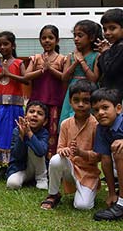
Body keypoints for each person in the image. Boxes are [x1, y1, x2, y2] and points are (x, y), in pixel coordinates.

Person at [41, 80, 100, 210]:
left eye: (86, 101)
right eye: (76, 100)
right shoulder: (65, 124)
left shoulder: (96, 125)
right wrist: (64, 150)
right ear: (70, 101)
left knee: (83, 206)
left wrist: (81, 152)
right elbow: (60, 148)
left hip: (88, 172)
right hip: (70, 167)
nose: (80, 104)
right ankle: (53, 194)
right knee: (56, 160)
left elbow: (98, 156)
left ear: (92, 103)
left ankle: (91, 188)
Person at [0, 31, 28, 180]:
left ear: (13, 45)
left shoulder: (19, 63)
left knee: (11, 136)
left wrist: (9, 74)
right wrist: (0, 75)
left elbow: (26, 79)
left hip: (13, 107)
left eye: (6, 44)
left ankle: (12, 165)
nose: (2, 47)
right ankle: (2, 165)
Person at [25, 25, 66, 159]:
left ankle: (50, 164)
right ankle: (31, 163)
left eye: (51, 38)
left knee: (52, 134)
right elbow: (26, 76)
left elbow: (64, 77)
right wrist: (41, 70)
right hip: (37, 103)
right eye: (44, 38)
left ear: (57, 40)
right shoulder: (35, 58)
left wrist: (50, 69)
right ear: (39, 40)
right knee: (33, 131)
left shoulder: (62, 59)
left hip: (54, 103)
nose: (47, 40)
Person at [60, 20, 102, 124]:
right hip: (73, 90)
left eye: (80, 35)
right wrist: (75, 63)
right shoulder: (71, 56)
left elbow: (93, 79)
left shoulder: (96, 56)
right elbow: (64, 78)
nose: (76, 39)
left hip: (89, 91)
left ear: (91, 38)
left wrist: (82, 61)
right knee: (68, 120)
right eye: (74, 36)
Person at [91, 88, 123, 221]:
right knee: (112, 152)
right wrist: (111, 193)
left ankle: (122, 204)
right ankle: (116, 196)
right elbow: (105, 159)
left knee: (119, 148)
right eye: (96, 110)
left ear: (118, 108)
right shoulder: (101, 128)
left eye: (105, 107)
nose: (101, 113)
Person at [6, 101, 49, 190]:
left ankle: (41, 178)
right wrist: (21, 137)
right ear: (25, 116)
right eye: (31, 111)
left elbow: (41, 151)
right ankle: (30, 179)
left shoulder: (44, 133)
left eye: (39, 113)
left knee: (34, 146)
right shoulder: (17, 131)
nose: (35, 115)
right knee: (12, 184)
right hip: (21, 168)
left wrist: (29, 133)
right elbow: (17, 156)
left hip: (38, 167)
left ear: (45, 121)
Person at [96, 8, 123, 95]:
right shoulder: (115, 46)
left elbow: (109, 70)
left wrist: (105, 52)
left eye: (112, 28)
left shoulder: (121, 47)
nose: (107, 33)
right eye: (105, 29)